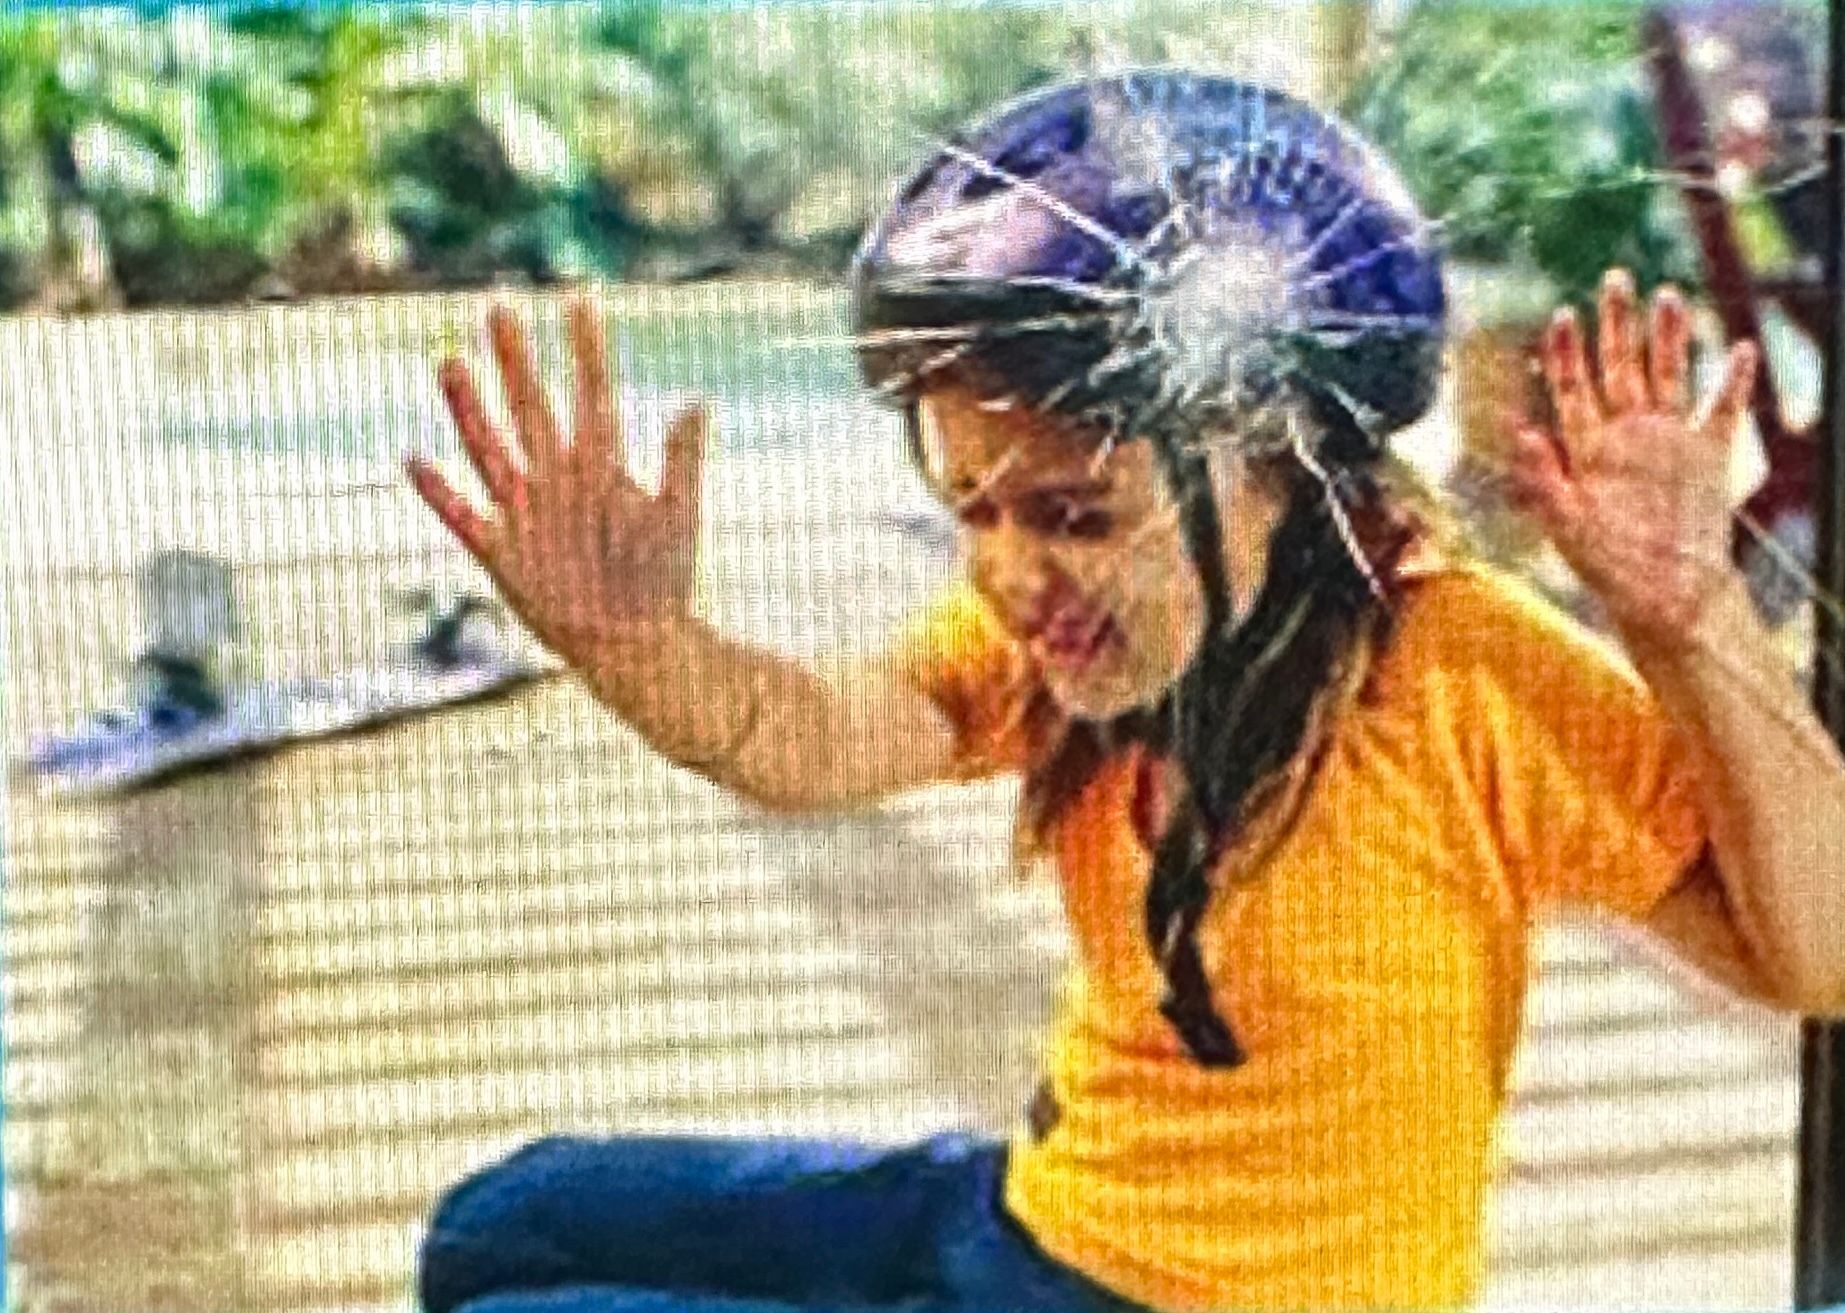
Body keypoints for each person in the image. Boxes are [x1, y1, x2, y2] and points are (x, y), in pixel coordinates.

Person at [403, 72, 1845, 1313]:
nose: (1009, 571)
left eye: (1074, 513)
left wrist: (1689, 622)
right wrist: (640, 647)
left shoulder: (1462, 672)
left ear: (1290, 471)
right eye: (972, 507)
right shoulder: (1077, 639)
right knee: (497, 1222)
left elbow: (1821, 954)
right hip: (1035, 1211)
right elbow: (815, 741)